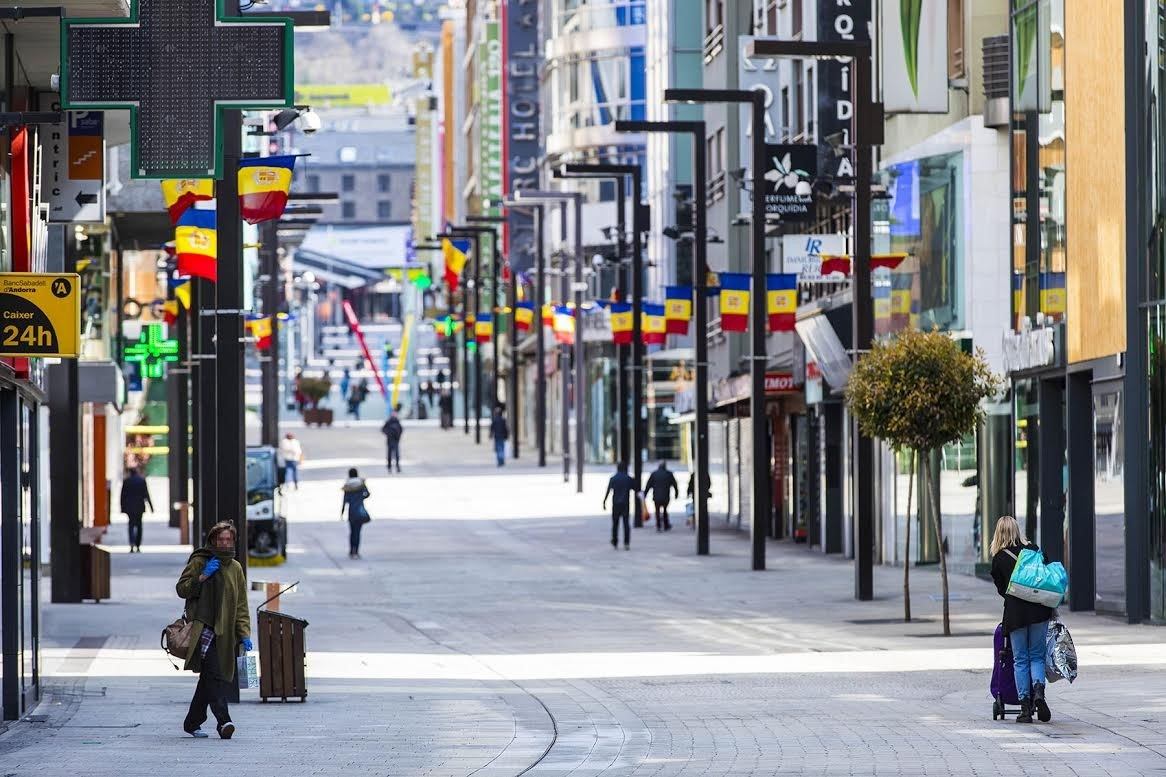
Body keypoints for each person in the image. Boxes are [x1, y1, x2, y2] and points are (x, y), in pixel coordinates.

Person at [176, 521, 251, 739]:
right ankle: (224, 722)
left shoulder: (235, 568)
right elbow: (182, 589)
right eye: (220, 539)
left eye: (228, 539)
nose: (224, 543)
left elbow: (241, 605)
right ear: (213, 540)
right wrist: (201, 577)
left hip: (225, 633)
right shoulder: (200, 560)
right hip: (203, 629)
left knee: (209, 678)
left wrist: (244, 633)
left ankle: (192, 722)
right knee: (215, 676)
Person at [989, 515, 1055, 724]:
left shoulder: (999, 558)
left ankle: (1025, 708)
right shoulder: (1034, 550)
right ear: (1017, 531)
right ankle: (1039, 694)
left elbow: (1002, 590)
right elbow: (1046, 576)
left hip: (1016, 615)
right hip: (1039, 611)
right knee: (1037, 655)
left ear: (999, 533)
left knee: (1020, 659)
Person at [603, 462, 636, 550]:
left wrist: (604, 502)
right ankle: (626, 543)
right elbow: (636, 488)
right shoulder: (628, 478)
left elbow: (608, 491)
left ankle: (615, 541)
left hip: (616, 504)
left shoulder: (613, 478)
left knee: (615, 524)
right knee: (626, 524)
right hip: (625, 503)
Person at [119, 467, 154, 552]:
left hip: (129, 507)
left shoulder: (126, 481)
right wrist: (151, 507)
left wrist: (122, 507)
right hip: (139, 507)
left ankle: (131, 544)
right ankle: (138, 545)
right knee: (139, 526)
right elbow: (146, 494)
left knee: (131, 525)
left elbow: (122, 496)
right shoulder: (141, 481)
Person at [340, 468, 371, 559]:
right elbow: (367, 494)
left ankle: (351, 550)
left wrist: (342, 513)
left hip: (351, 513)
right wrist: (361, 497)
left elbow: (345, 501)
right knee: (357, 532)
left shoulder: (347, 486)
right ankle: (356, 551)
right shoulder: (361, 485)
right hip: (360, 511)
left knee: (352, 532)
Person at [645, 461, 679, 532]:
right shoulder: (669, 474)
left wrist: (645, 494)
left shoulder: (654, 474)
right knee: (665, 510)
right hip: (666, 496)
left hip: (656, 496)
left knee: (657, 511)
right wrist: (676, 494)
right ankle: (666, 525)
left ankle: (658, 525)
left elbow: (648, 485)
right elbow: (675, 485)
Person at [382, 408, 403, 473]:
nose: (394, 414)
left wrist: (398, 436)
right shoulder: (389, 421)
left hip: (396, 440)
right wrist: (388, 434)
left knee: (396, 454)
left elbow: (401, 429)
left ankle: (397, 466)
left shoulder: (397, 421)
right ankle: (389, 467)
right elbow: (383, 429)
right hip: (390, 440)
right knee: (389, 455)